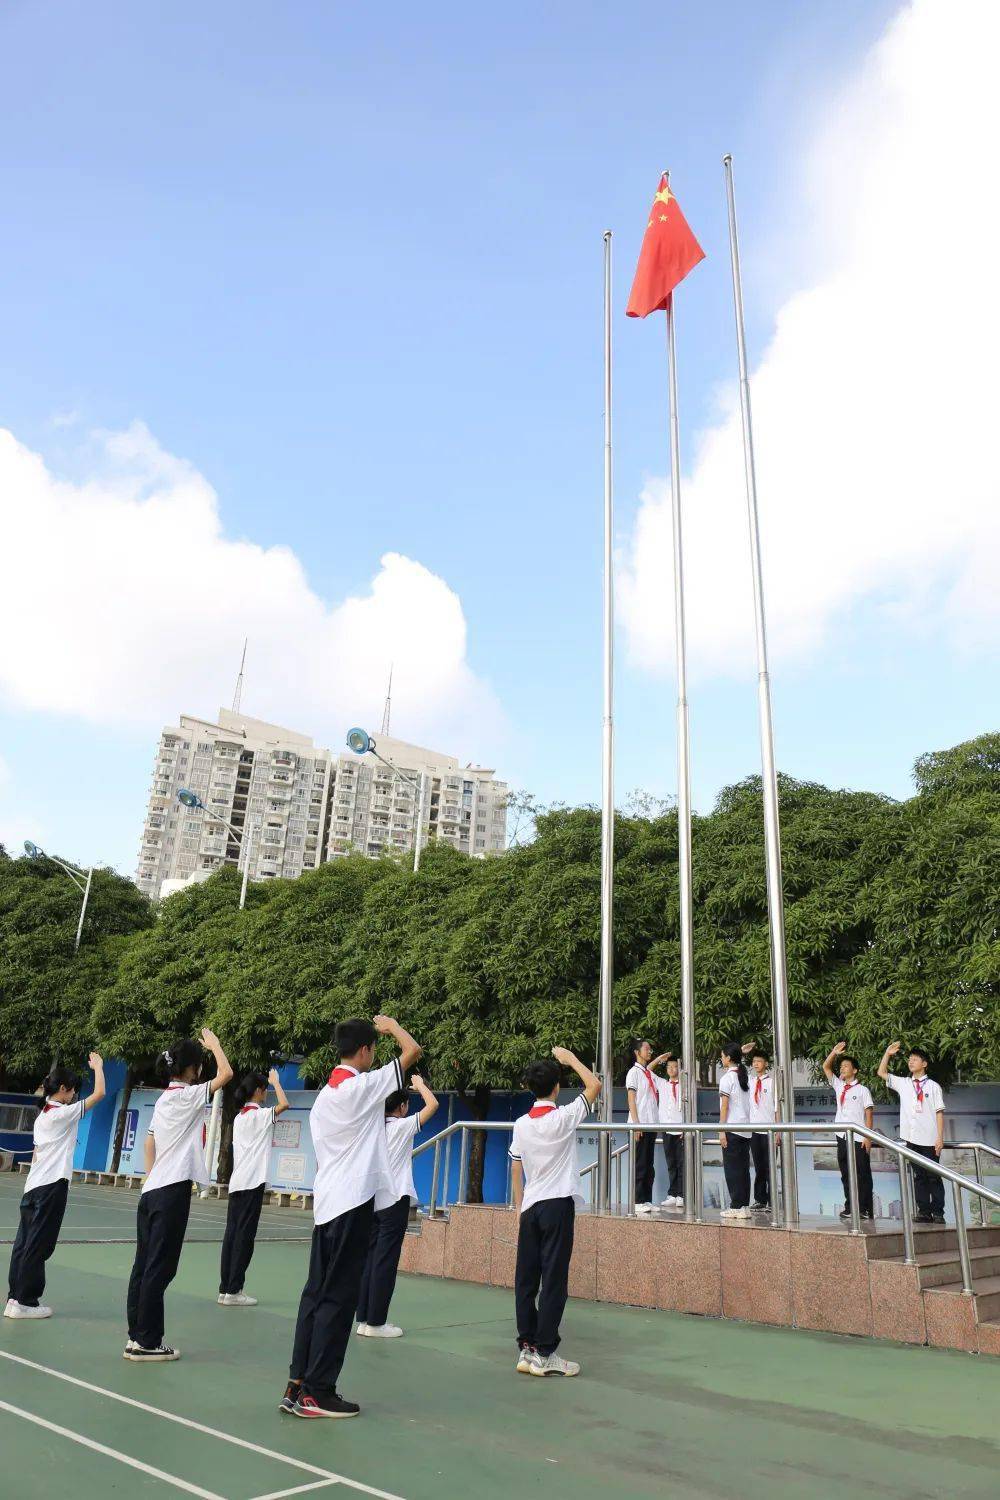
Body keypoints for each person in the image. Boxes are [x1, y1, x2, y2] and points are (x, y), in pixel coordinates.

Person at [281, 1014, 421, 1421]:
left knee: (315, 1294)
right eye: (373, 1049)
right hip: (353, 1203)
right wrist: (392, 1026)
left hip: (327, 1204)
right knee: (339, 1298)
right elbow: (412, 1052)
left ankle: (297, 1383)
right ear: (364, 1050)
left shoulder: (327, 1094)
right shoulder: (360, 1088)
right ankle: (319, 1392)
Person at [125, 1029, 232, 1362]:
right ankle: (148, 1341)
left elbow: (149, 1143)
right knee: (160, 1268)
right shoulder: (187, 1096)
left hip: (153, 1189)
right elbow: (226, 1074)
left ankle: (136, 1336)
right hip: (171, 1191)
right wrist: (215, 1045)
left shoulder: (163, 1099)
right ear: (194, 1069)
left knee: (144, 1265)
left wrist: (151, 1177)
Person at [510, 1046, 601, 1378]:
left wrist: (519, 1207)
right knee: (554, 1281)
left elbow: (515, 1167)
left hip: (530, 1207)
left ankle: (527, 1347)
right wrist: (572, 1059)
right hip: (558, 1204)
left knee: (526, 1280)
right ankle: (546, 1352)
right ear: (556, 1087)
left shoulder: (521, 1124)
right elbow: (594, 1085)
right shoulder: (562, 1118)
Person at [4, 1054, 106, 1320]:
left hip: (33, 1186)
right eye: (71, 1089)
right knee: (39, 1245)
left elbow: (37, 1154)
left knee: (24, 1243)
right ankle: (26, 1301)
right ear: (62, 1089)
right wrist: (98, 1068)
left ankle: (14, 1297)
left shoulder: (43, 1116)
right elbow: (100, 1094)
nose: (73, 1095)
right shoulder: (62, 1113)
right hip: (52, 1186)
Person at [356, 1073, 439, 1339]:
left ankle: (364, 1318)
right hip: (394, 1199)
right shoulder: (401, 1126)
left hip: (372, 1200)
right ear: (402, 1107)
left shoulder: (372, 1129)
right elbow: (433, 1106)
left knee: (369, 1257)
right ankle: (377, 1322)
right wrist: (420, 1086)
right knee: (386, 1261)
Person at [218, 1067, 290, 1307]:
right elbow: (284, 1104)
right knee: (244, 1238)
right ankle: (235, 1289)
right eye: (265, 1090)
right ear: (259, 1091)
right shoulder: (259, 1115)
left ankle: (225, 1287)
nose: (267, 1093)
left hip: (237, 1183)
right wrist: (277, 1082)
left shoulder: (240, 1117)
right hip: (252, 1183)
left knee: (231, 1235)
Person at [878, 1041, 946, 1225]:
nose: (911, 1061)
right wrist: (887, 1053)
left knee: (933, 1176)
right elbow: (881, 1073)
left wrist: (939, 1137)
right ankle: (924, 1211)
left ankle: (938, 1212)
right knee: (919, 1177)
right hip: (912, 1138)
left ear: (924, 1064)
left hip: (930, 1139)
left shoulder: (933, 1086)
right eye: (910, 1059)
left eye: (915, 1059)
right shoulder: (904, 1083)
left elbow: (939, 1112)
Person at [822, 1042, 874, 1221]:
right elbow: (826, 1066)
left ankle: (865, 1209)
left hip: (859, 1137)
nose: (842, 1069)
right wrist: (834, 1052)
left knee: (862, 1174)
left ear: (855, 1070)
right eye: (841, 1066)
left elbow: (868, 1113)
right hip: (842, 1136)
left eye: (846, 1066)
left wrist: (868, 1136)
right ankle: (850, 1206)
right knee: (846, 1173)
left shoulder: (862, 1090)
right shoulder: (839, 1086)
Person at [625, 1039, 661, 1214]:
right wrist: (636, 1124)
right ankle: (638, 1200)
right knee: (640, 1163)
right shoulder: (634, 1073)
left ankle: (647, 1199)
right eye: (646, 1049)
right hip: (639, 1124)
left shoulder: (647, 1073)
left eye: (650, 1048)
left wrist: (659, 1059)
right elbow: (631, 1099)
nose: (650, 1051)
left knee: (649, 1164)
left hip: (651, 1123)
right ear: (637, 1052)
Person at [718, 1042, 752, 1220]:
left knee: (732, 1170)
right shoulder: (745, 1076)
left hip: (731, 1128)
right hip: (745, 1129)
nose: (721, 1058)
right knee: (743, 1170)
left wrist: (721, 1130)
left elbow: (725, 1107)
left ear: (729, 1058)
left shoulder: (727, 1078)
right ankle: (744, 1206)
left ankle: (736, 1205)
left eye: (723, 1055)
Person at [743, 1043, 775, 1212]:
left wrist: (777, 1131)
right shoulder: (751, 1081)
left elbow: (778, 1108)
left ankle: (772, 1201)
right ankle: (760, 1199)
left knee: (770, 1168)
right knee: (759, 1167)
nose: (756, 1064)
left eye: (759, 1061)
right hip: (754, 1130)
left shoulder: (772, 1083)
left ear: (766, 1064)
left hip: (769, 1130)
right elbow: (735, 1071)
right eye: (754, 1061)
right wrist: (742, 1054)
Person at [653, 1053, 684, 1208]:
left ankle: (682, 1194)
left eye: (675, 1066)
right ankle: (672, 1193)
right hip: (666, 1129)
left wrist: (686, 1126)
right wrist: (659, 1060)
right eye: (669, 1067)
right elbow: (647, 1070)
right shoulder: (663, 1084)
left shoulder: (684, 1086)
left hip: (681, 1130)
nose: (672, 1069)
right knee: (671, 1164)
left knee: (681, 1164)